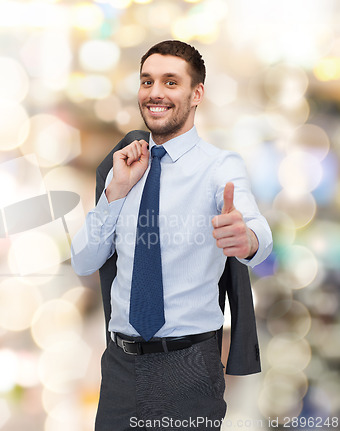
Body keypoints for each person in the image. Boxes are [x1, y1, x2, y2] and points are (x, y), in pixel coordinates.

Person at [71, 40, 272, 431]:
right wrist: (115, 194)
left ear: (197, 93)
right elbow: (83, 259)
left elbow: (258, 232)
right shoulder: (124, 167)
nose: (155, 93)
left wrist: (244, 237)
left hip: (188, 366)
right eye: (147, 81)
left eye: (170, 82)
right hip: (120, 366)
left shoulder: (219, 166)